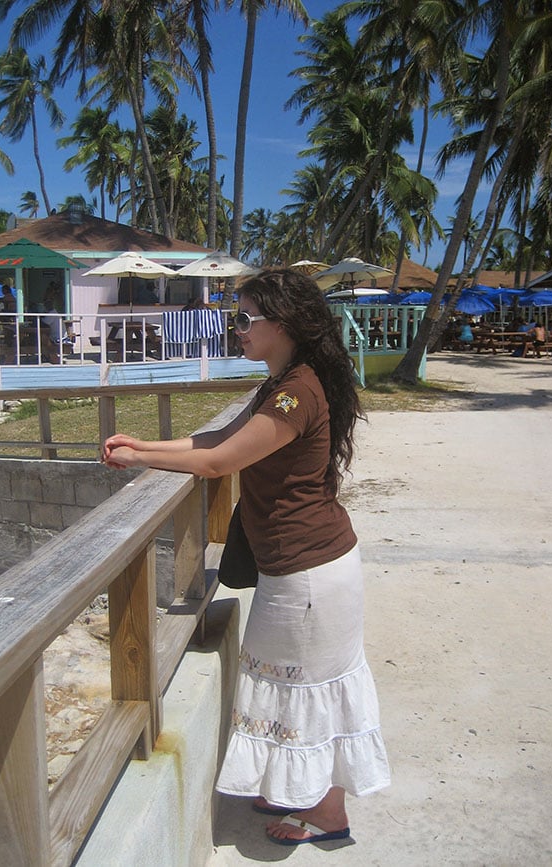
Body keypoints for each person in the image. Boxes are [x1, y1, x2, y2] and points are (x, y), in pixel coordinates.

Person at [102, 267, 390, 845]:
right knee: (305, 684)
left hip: (309, 573)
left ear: (280, 324)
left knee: (307, 688)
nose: (235, 328)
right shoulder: (285, 381)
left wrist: (140, 461)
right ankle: (308, 796)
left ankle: (327, 814)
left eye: (243, 318)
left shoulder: (294, 391)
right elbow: (217, 441)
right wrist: (142, 447)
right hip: (304, 569)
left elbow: (217, 463)